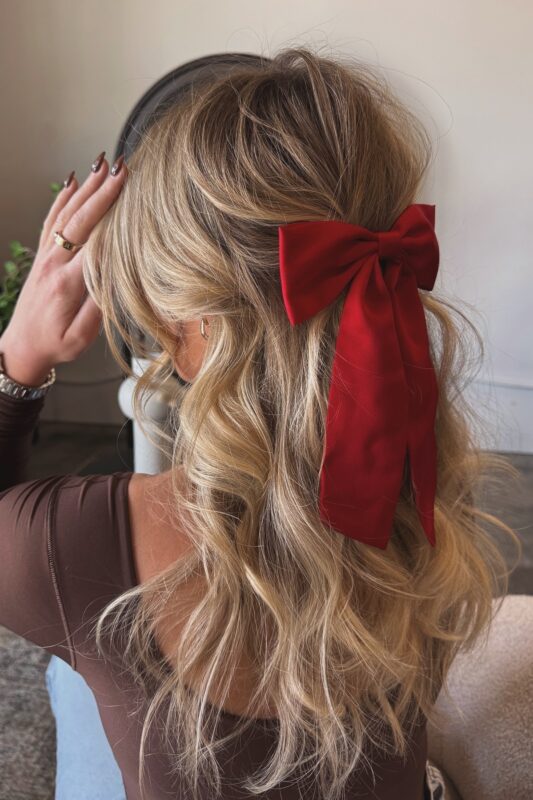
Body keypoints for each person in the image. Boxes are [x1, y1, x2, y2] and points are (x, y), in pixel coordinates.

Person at [0, 45, 520, 800]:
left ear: (194, 327)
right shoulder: (427, 494)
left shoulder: (73, 547)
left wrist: (17, 361)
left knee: (73, 684)